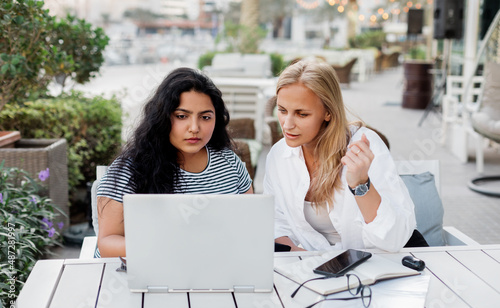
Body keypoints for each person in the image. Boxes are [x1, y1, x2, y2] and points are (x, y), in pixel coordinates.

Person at [97, 67, 253, 257]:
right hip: (148, 271)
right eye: (181, 116)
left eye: (205, 117)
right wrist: (173, 247)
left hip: (215, 267)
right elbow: (107, 243)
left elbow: (249, 226)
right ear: (162, 117)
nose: (194, 128)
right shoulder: (130, 169)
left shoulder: (230, 162)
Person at [264, 59, 416, 252]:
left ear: (328, 112)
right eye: (282, 110)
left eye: (302, 114)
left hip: (378, 262)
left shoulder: (363, 147)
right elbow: (277, 221)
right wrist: (301, 261)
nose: (287, 124)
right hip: (321, 269)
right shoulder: (279, 156)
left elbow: (394, 240)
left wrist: (361, 184)